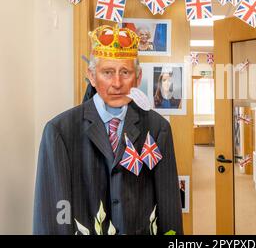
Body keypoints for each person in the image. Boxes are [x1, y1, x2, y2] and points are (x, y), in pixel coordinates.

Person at [33, 25, 183, 235]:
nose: (117, 83)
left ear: (137, 77)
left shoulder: (158, 128)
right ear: (92, 76)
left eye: (125, 72)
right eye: (107, 72)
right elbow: (55, 207)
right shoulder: (59, 132)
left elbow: (168, 204)